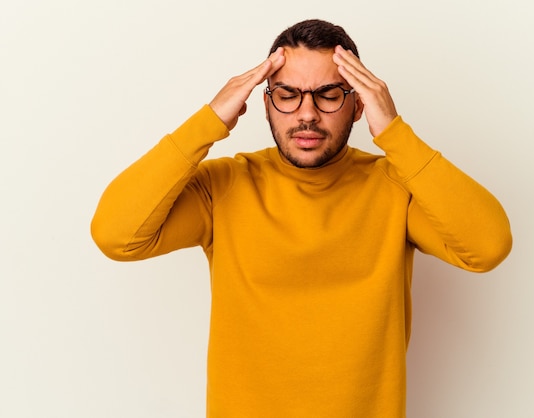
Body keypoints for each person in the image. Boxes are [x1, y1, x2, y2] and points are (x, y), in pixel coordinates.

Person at [91, 18, 512, 418]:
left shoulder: (395, 187)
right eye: (288, 94)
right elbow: (116, 235)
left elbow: (487, 247)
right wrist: (210, 120)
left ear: (359, 104)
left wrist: (395, 133)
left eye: (328, 94)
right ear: (265, 102)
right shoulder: (224, 186)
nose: (306, 113)